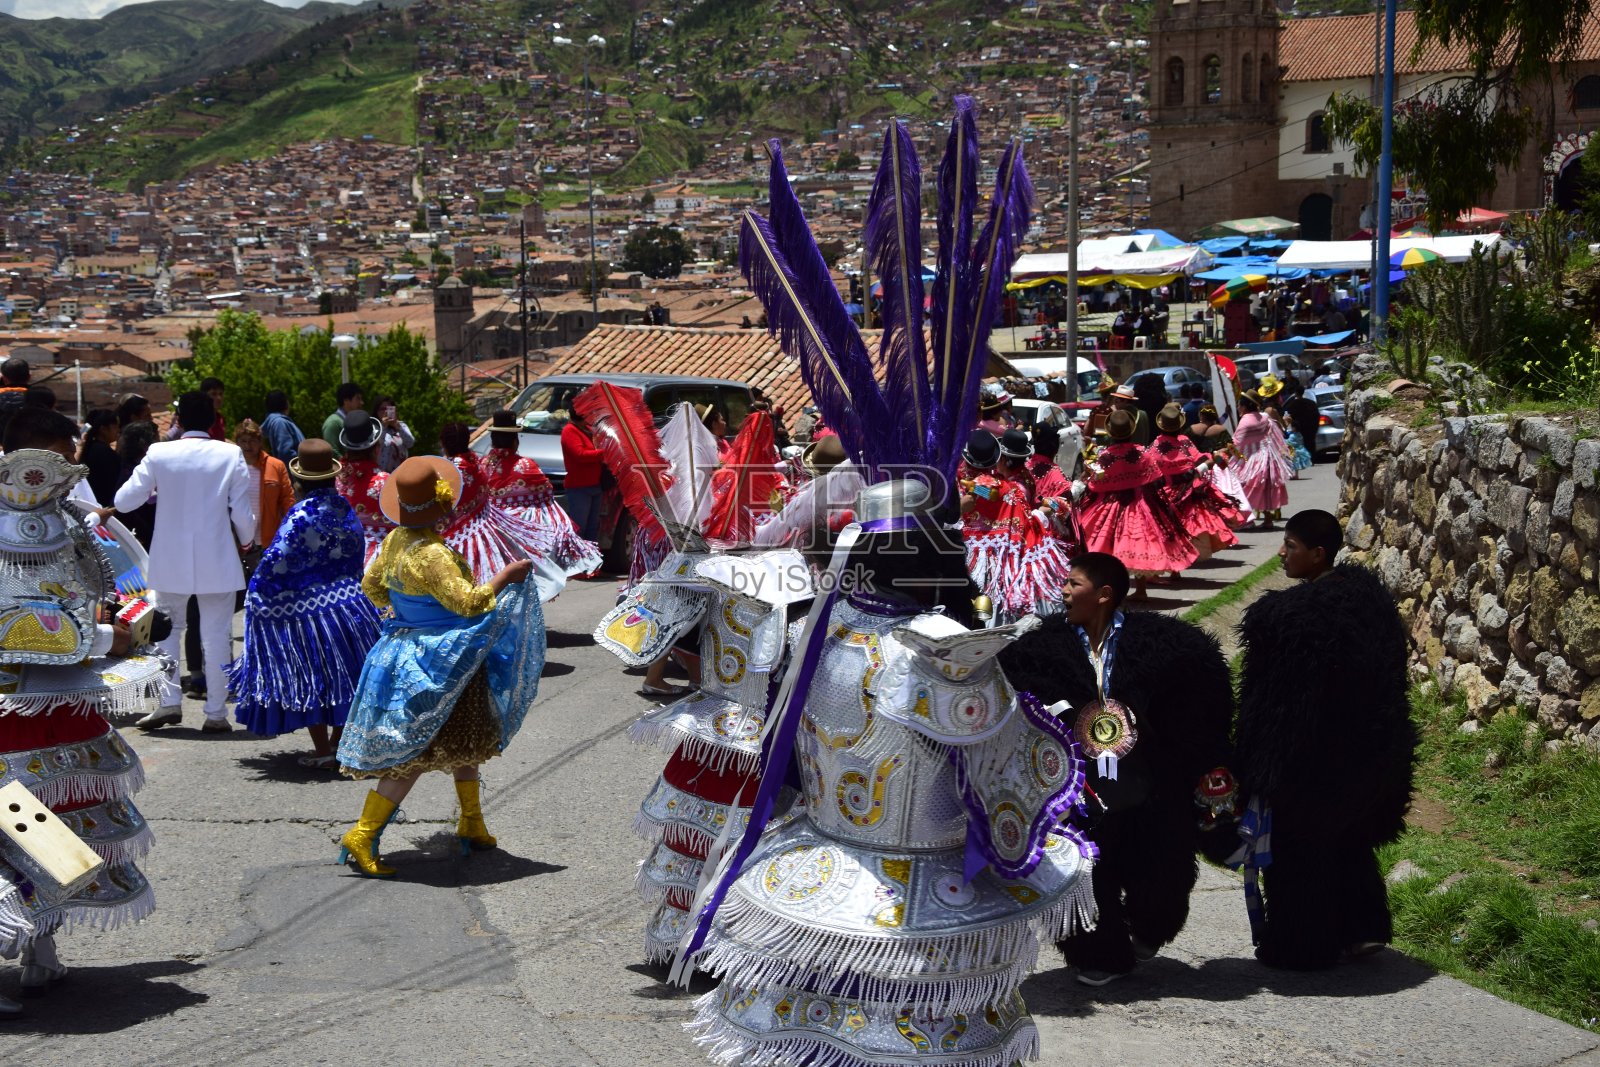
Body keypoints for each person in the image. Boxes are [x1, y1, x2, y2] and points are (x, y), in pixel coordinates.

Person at [0, 411, 170, 1016]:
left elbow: (95, 600)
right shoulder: (46, 524)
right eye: (61, 458)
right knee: (24, 828)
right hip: (20, 710)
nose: (69, 472)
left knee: (51, 829)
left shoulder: (71, 523)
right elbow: (35, 625)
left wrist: (125, 629)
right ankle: (23, 949)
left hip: (57, 706)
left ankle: (39, 951)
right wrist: (107, 638)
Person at [1001, 551, 1236, 985]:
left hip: (1150, 781)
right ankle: (1097, 953)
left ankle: (1151, 926)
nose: (1064, 591)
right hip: (1075, 786)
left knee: (1163, 868)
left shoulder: (1165, 647)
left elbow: (1199, 714)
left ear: (1104, 594)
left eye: (1074, 584)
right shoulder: (1039, 649)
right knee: (1086, 868)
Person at [334, 456, 544, 878]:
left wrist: (407, 614)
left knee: (465, 738)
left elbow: (371, 586)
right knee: (413, 752)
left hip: (412, 651)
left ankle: (472, 823)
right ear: (442, 504)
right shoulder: (432, 554)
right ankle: (362, 832)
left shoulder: (395, 540)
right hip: (440, 660)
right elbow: (468, 603)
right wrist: (506, 575)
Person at [1233, 509, 1417, 969]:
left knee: (1300, 850)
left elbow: (1275, 705)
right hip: (1369, 753)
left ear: (1318, 554)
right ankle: (1362, 928)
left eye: (1290, 547)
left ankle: (1302, 946)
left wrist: (1255, 763)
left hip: (1311, 763)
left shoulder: (1289, 621)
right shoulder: (1371, 604)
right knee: (1349, 837)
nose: (1280, 555)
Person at [227, 439, 382, 767]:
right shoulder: (343, 507)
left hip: (309, 613)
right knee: (346, 678)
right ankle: (339, 744)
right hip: (351, 607)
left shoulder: (301, 514)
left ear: (300, 482)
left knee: (311, 676)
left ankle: (324, 750)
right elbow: (356, 548)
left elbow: (278, 561)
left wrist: (259, 590)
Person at [114, 390, 256, 732]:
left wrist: (157, 489)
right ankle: (216, 713)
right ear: (212, 421)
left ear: (178, 420)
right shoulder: (230, 453)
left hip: (170, 558)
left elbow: (124, 500)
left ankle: (169, 703)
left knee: (167, 631)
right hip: (218, 556)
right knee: (217, 635)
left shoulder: (159, 452)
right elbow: (242, 512)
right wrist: (248, 541)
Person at [1077, 409, 1197, 599]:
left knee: (1108, 546)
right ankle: (1140, 590)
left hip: (1111, 505)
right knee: (1139, 543)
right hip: (1140, 503)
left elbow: (1094, 485)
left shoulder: (1104, 456)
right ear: (1131, 431)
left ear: (1110, 433)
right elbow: (1155, 478)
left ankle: (1111, 590)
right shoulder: (1142, 453)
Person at [480, 410, 603, 583]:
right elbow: (546, 491)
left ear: (493, 440)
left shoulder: (482, 465)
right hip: (519, 536)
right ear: (514, 441)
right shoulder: (525, 465)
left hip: (490, 531)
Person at [1150, 403, 1245, 561]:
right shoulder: (1184, 442)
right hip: (1188, 490)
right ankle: (1184, 557)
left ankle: (1177, 563)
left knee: (1169, 527)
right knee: (1189, 524)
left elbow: (1150, 468)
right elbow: (1200, 458)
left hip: (1165, 494)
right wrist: (1216, 457)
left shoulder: (1155, 446)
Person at [333, 410, 394, 566]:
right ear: (377, 448)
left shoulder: (337, 478)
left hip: (343, 556)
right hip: (380, 563)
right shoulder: (385, 481)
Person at [236, 418, 294, 556]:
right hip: (238, 541)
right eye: (243, 441)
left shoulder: (276, 466)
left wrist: (291, 530)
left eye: (252, 441)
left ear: (260, 442)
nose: (247, 445)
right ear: (237, 442)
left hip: (269, 540)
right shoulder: (231, 466)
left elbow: (288, 501)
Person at [1234, 393, 1292, 527]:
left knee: (1244, 488)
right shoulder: (1265, 417)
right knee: (1265, 489)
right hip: (1268, 457)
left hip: (1251, 459)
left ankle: (1248, 520)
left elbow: (1237, 442)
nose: (1238, 408)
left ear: (1244, 406)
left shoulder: (1245, 421)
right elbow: (1275, 434)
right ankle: (1268, 519)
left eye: (1239, 405)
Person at [559, 407, 605, 550]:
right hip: (579, 487)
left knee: (592, 529)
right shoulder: (569, 431)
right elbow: (580, 455)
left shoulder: (586, 429)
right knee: (579, 529)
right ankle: (579, 565)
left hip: (594, 485)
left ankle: (591, 565)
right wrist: (603, 453)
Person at [116, 419, 159, 548]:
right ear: (145, 445)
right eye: (157, 440)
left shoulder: (130, 467)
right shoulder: (133, 473)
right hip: (142, 540)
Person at [78, 407, 122, 506]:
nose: (118, 430)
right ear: (103, 429)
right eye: (115, 426)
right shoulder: (103, 452)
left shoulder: (90, 448)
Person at [373, 395, 414, 473]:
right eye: (383, 409)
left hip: (400, 473)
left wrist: (397, 426)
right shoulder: (375, 428)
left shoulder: (401, 426)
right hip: (381, 473)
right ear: (377, 411)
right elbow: (376, 445)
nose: (386, 412)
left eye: (389, 409)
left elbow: (410, 443)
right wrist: (383, 426)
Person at [260, 389, 304, 461]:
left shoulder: (276, 422)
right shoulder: (280, 423)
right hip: (294, 470)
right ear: (285, 403)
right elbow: (286, 453)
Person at [322, 382, 364, 455]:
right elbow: (333, 453)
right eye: (357, 398)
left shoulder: (352, 422)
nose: (362, 403)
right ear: (346, 400)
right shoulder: (333, 423)